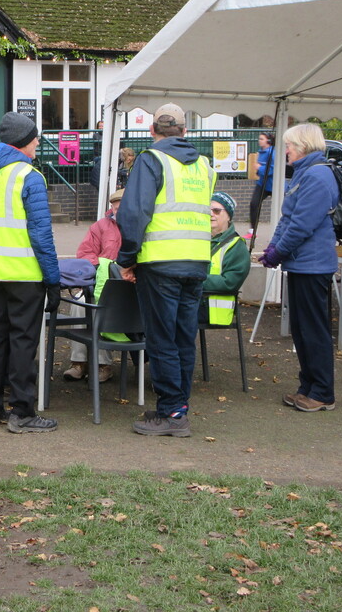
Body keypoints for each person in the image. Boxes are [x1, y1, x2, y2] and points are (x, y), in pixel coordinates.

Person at [116, 102, 214, 437]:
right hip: (197, 262)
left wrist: (127, 258)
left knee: (161, 340)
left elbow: (133, 213)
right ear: (185, 131)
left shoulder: (151, 159)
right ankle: (178, 406)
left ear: (152, 130)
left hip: (160, 263)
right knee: (184, 337)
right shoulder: (204, 165)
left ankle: (172, 413)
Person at [0, 111, 61, 433]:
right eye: (35, 137)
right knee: (23, 342)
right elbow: (41, 235)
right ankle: (21, 411)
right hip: (25, 274)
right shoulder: (29, 176)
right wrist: (53, 280)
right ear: (24, 141)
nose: (38, 141)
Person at [259, 123, 338, 412]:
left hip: (313, 265)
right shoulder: (305, 174)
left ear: (303, 145)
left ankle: (322, 391)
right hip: (303, 264)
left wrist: (277, 252)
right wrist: (273, 248)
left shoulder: (317, 176)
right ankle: (308, 386)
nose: (286, 151)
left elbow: (302, 225)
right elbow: (288, 219)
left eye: (289, 145)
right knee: (302, 328)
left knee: (313, 329)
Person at [60, 188, 125, 384]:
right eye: (116, 207)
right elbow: (85, 253)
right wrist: (102, 265)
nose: (119, 211)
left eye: (123, 207)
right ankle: (79, 362)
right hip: (101, 281)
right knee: (79, 301)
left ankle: (102, 364)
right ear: (111, 208)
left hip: (129, 286)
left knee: (102, 304)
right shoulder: (100, 226)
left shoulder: (142, 225)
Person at [202, 192, 251, 327]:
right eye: (208, 210)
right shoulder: (197, 239)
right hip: (193, 300)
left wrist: (194, 279)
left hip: (209, 308)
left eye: (217, 211)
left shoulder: (237, 246)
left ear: (229, 216)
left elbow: (230, 282)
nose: (211, 214)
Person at [249, 132, 274, 234]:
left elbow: (273, 168)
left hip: (273, 184)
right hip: (262, 183)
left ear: (268, 141)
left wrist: (260, 168)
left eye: (262, 139)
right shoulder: (261, 152)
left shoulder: (272, 152)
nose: (259, 141)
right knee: (254, 204)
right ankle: (253, 230)